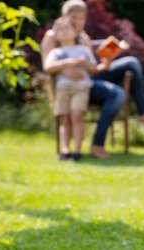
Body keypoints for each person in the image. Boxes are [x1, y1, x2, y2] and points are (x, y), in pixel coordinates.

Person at [41, 0, 144, 159]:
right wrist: (66, 70)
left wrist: (109, 58)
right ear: (64, 16)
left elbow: (94, 69)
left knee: (132, 63)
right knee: (117, 94)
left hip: (87, 80)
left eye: (82, 18)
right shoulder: (52, 36)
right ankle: (96, 145)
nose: (78, 22)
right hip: (67, 87)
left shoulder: (83, 38)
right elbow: (47, 65)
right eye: (74, 17)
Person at [44, 17, 101, 161]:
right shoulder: (55, 53)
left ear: (75, 32)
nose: (63, 32)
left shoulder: (83, 50)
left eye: (66, 28)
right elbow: (48, 67)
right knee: (65, 118)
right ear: (55, 35)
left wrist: (84, 63)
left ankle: (77, 150)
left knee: (77, 115)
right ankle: (65, 150)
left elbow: (94, 68)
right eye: (59, 30)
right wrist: (67, 63)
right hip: (63, 88)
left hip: (81, 88)